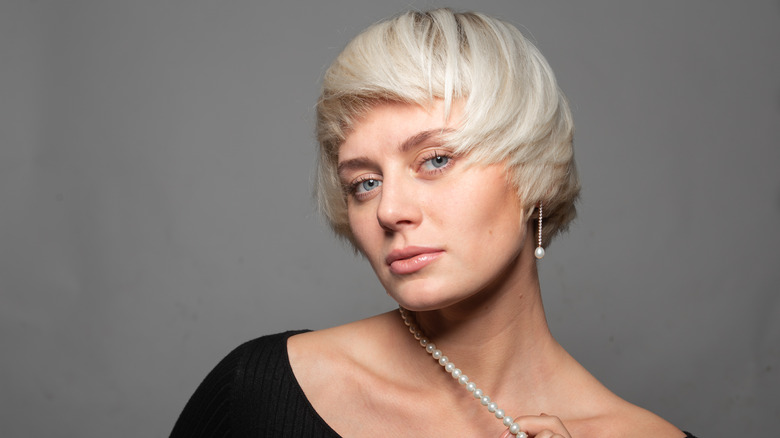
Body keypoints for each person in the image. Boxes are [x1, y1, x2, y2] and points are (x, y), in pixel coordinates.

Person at [171, 9, 698, 437]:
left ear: (533, 173)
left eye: (436, 160)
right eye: (365, 182)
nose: (388, 210)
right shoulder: (260, 393)